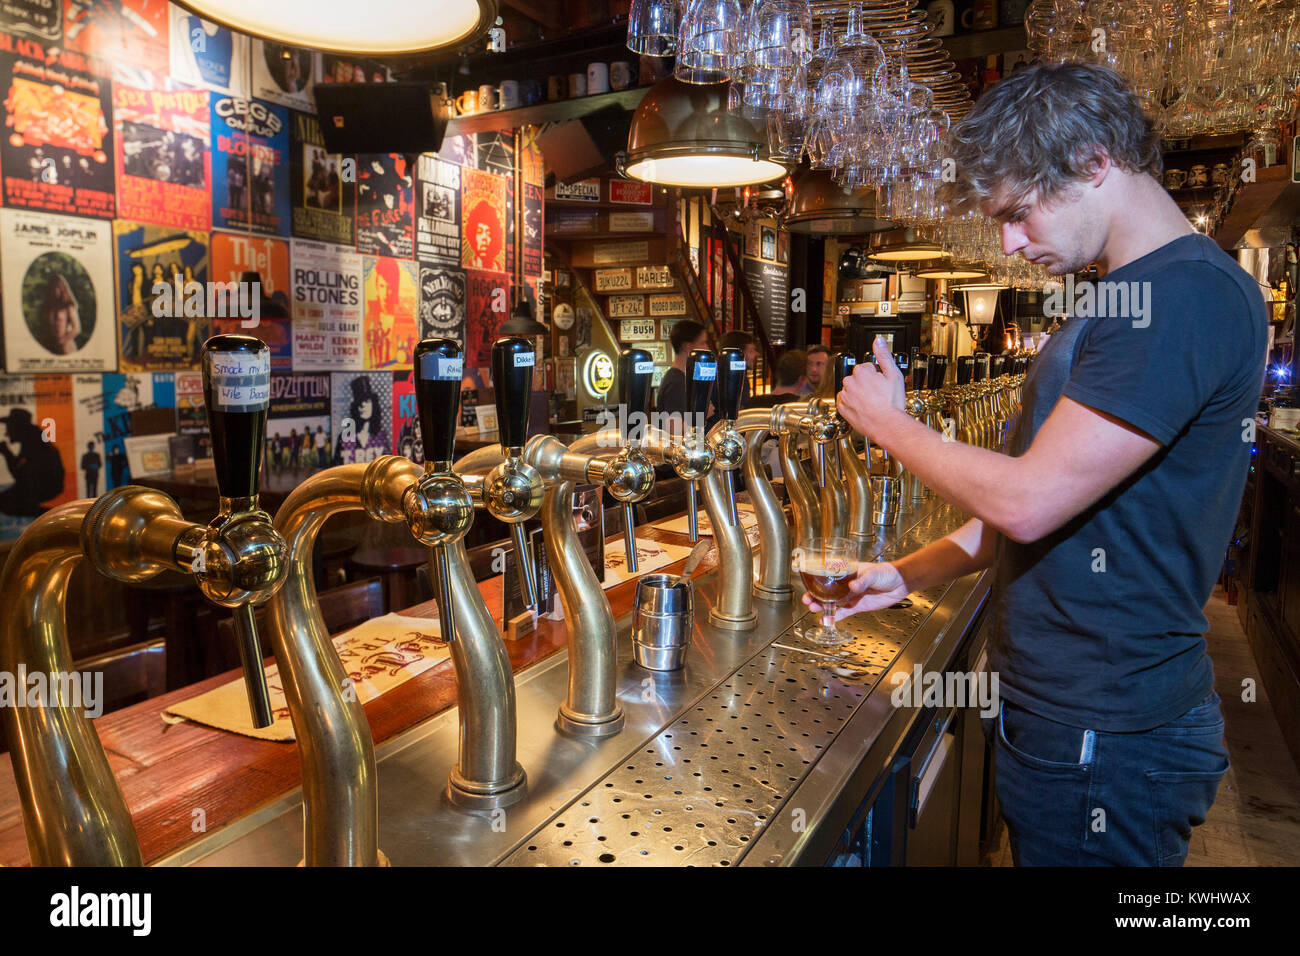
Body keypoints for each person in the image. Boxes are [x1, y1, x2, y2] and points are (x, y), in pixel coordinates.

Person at [820, 62, 1266, 867]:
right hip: (1074, 715)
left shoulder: (1182, 297)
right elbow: (1037, 513)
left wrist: (891, 426)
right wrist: (906, 573)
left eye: (1020, 213)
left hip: (1108, 727)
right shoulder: (1129, 295)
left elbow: (1030, 501)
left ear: (1094, 162)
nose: (1010, 243)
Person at [0, 408, 64, 517]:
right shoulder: (32, 437)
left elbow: (20, 475)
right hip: (42, 485)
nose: (7, 433)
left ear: (17, 427)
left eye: (9, 428)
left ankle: (51, 515)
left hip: (46, 487)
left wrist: (6, 453)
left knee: (5, 502)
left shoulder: (33, 441)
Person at [652, 319, 709, 439]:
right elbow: (673, 429)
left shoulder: (680, 378)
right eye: (703, 343)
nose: (707, 348)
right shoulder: (677, 382)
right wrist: (703, 414)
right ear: (688, 347)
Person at [34, 274, 82, 355]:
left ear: (62, 288)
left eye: (57, 287)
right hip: (49, 346)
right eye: (52, 288)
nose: (54, 290)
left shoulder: (68, 306)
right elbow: (43, 327)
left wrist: (61, 341)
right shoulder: (46, 307)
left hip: (65, 347)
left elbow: (76, 329)